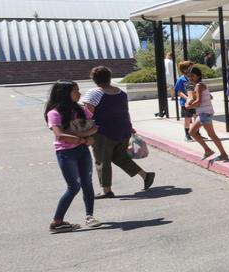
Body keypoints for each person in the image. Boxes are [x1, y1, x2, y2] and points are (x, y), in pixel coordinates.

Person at [81, 66, 154, 198]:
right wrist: (130, 127)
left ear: (94, 79)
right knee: (119, 157)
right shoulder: (121, 93)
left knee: (102, 161)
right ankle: (145, 175)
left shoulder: (94, 93)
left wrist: (83, 131)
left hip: (103, 132)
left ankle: (106, 190)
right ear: (109, 78)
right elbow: (125, 111)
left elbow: (87, 113)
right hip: (123, 130)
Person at [45, 80, 101, 232]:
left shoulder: (81, 110)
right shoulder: (54, 113)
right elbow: (60, 135)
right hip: (66, 153)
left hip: (82, 151)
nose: (79, 93)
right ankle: (57, 222)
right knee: (74, 186)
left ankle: (90, 216)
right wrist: (83, 138)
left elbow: (95, 127)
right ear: (64, 94)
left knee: (87, 183)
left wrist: (84, 136)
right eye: (75, 91)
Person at [185, 68, 229, 160]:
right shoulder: (200, 85)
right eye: (189, 76)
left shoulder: (199, 86)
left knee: (203, 133)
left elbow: (199, 101)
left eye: (192, 76)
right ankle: (210, 150)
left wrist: (189, 106)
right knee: (195, 132)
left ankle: (220, 153)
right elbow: (209, 97)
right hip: (204, 113)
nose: (190, 78)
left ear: (198, 75)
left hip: (204, 113)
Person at [174, 61, 195, 140]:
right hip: (185, 103)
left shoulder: (193, 77)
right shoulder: (181, 79)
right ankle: (187, 134)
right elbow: (179, 92)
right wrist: (187, 98)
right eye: (190, 67)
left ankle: (196, 132)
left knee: (196, 117)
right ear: (185, 69)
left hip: (195, 102)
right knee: (187, 118)